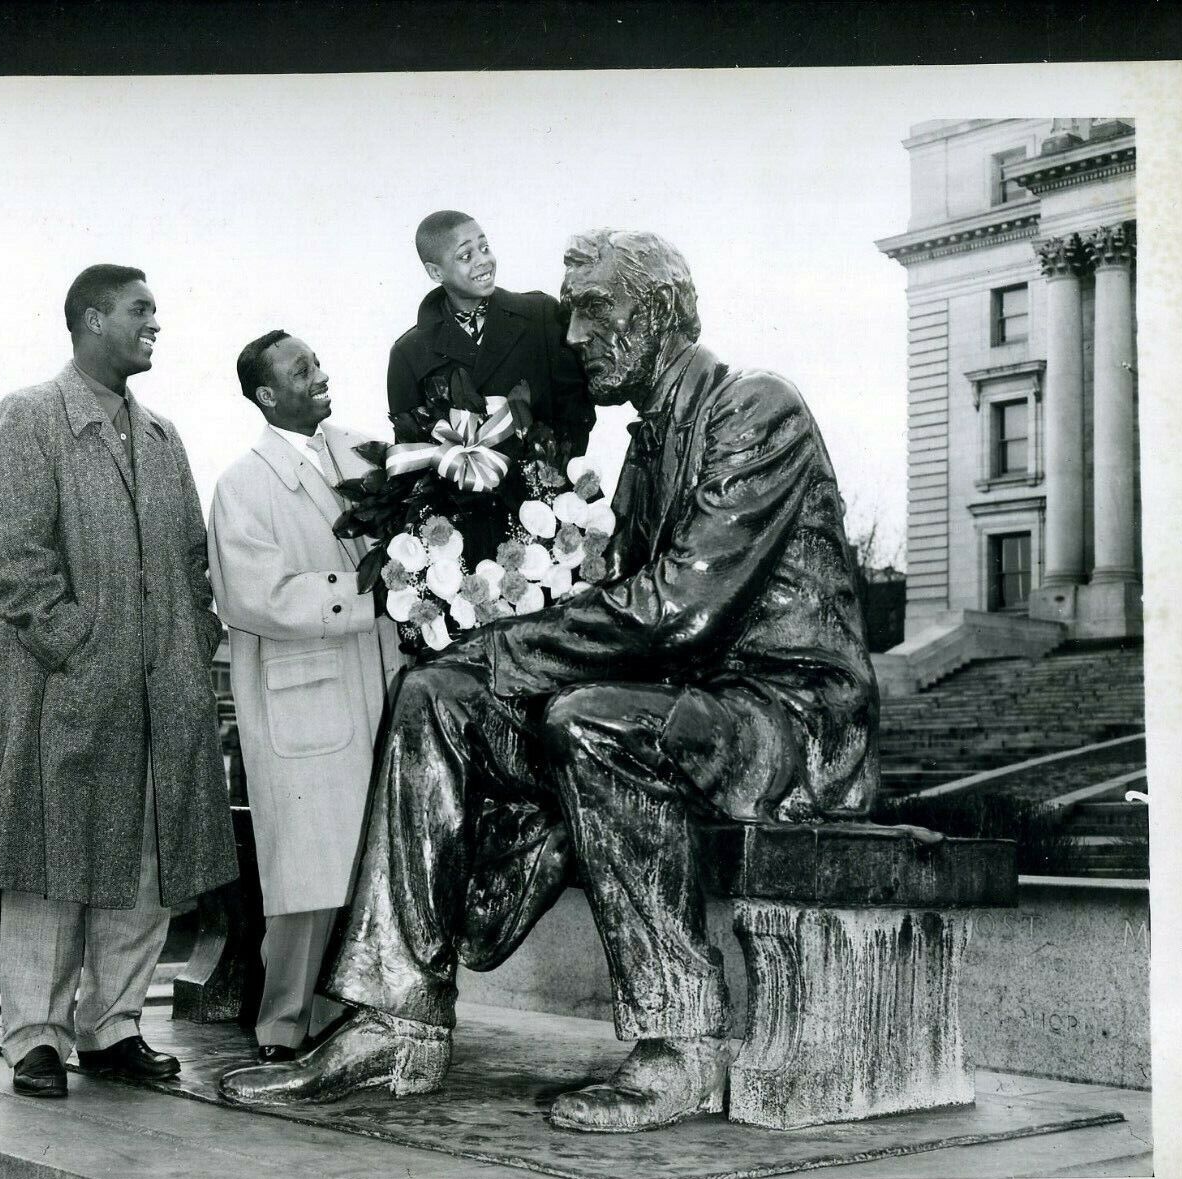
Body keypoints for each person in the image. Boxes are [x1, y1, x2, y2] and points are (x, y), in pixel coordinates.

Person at [219, 230, 878, 1133]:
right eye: (570, 313)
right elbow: (626, 610)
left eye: (595, 311)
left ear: (658, 309)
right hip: (694, 702)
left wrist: (509, 646)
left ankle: (683, 1038)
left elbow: (674, 608)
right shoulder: (648, 446)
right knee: (435, 696)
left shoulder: (754, 409)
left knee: (589, 718)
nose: (572, 335)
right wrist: (483, 651)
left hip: (789, 720)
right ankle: (396, 1017)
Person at [0, 264, 237, 1098]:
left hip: (161, 692)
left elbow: (191, 559)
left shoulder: (164, 438)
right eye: (140, 310)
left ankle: (112, 1027)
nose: (157, 322)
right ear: (90, 318)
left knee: (149, 864)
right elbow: (3, 544)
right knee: (53, 862)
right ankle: (34, 1038)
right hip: (62, 690)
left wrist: (191, 645)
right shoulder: (30, 417)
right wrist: (76, 642)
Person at [208, 331, 404, 1064]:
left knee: (369, 863)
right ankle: (283, 1026)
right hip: (302, 697)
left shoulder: (362, 452)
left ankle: (349, 1016)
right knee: (306, 876)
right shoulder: (242, 486)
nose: (321, 375)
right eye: (302, 369)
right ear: (266, 394)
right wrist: (370, 593)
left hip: (373, 678)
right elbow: (255, 596)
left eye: (319, 361)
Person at [388, 210, 595, 465]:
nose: (483, 261)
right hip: (462, 502)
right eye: (466, 256)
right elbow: (411, 452)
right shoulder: (408, 353)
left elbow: (578, 407)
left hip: (553, 490)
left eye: (484, 248)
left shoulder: (541, 313)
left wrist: (552, 470)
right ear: (435, 273)